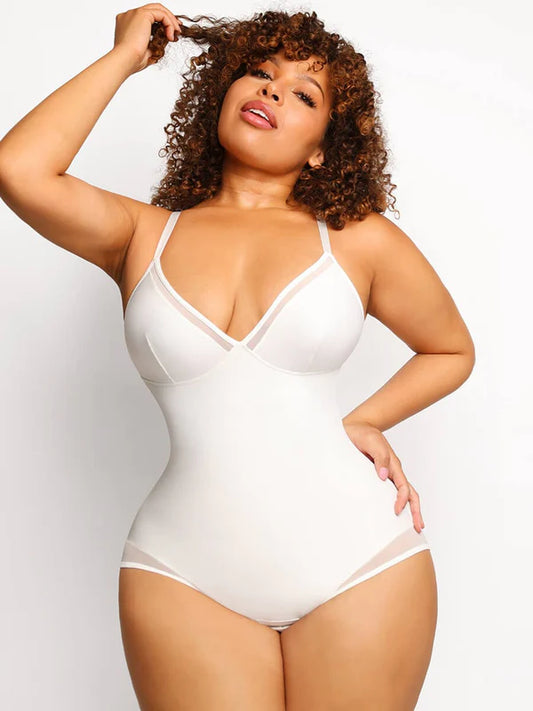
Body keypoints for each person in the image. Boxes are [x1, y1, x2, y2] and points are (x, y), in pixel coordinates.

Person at [0, 5, 475, 709]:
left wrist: (365, 419)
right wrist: (126, 57)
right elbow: (18, 169)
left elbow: (451, 348)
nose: (272, 90)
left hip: (358, 561)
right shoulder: (140, 235)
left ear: (323, 149)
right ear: (221, 94)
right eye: (258, 72)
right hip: (183, 571)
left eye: (304, 94)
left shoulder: (357, 239)